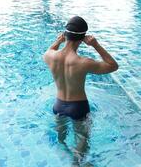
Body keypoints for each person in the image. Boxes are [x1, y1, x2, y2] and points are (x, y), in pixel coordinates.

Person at [43, 16, 118, 165]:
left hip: (58, 106)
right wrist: (96, 45)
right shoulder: (83, 62)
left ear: (65, 35)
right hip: (78, 107)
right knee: (82, 140)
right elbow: (112, 65)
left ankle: (64, 155)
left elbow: (51, 49)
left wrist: (59, 41)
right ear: (83, 38)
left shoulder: (50, 56)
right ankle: (76, 164)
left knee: (61, 139)